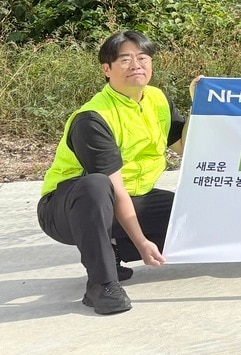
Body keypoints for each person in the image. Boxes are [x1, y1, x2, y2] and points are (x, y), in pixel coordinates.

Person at [37, 31, 180, 314]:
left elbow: (184, 146)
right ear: (106, 69)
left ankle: (110, 251)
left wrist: (201, 103)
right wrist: (141, 242)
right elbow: (114, 188)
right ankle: (101, 284)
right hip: (68, 208)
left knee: (189, 216)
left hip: (132, 197)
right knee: (96, 185)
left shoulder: (157, 98)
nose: (136, 65)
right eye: (125, 59)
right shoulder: (93, 117)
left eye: (142, 58)